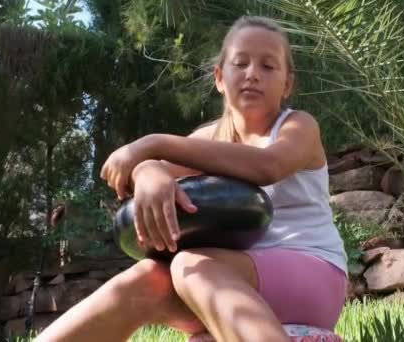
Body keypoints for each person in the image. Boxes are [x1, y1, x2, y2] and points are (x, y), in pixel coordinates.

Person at [35, 16, 348, 342]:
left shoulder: (299, 126)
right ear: (219, 77)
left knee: (190, 265)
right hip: (226, 282)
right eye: (240, 63)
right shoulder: (208, 139)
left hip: (312, 274)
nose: (253, 73)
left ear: (287, 84)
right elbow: (152, 173)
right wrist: (147, 171)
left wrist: (152, 143)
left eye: (268, 66)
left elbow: (267, 166)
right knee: (145, 279)